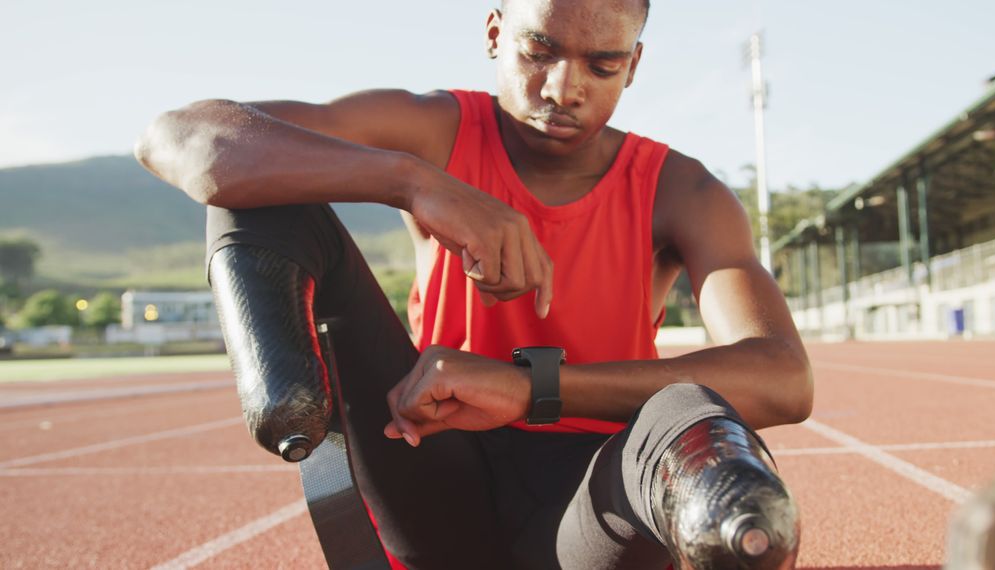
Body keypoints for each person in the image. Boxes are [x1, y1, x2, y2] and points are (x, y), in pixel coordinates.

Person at [135, 0, 813, 568]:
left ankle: (734, 530)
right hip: (428, 463)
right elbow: (180, 138)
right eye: (537, 52)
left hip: (591, 496)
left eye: (601, 65)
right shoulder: (433, 132)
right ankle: (288, 406)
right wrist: (415, 181)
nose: (561, 89)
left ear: (633, 65)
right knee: (256, 181)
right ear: (495, 33)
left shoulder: (680, 190)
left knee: (686, 414)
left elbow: (784, 378)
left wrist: (530, 390)